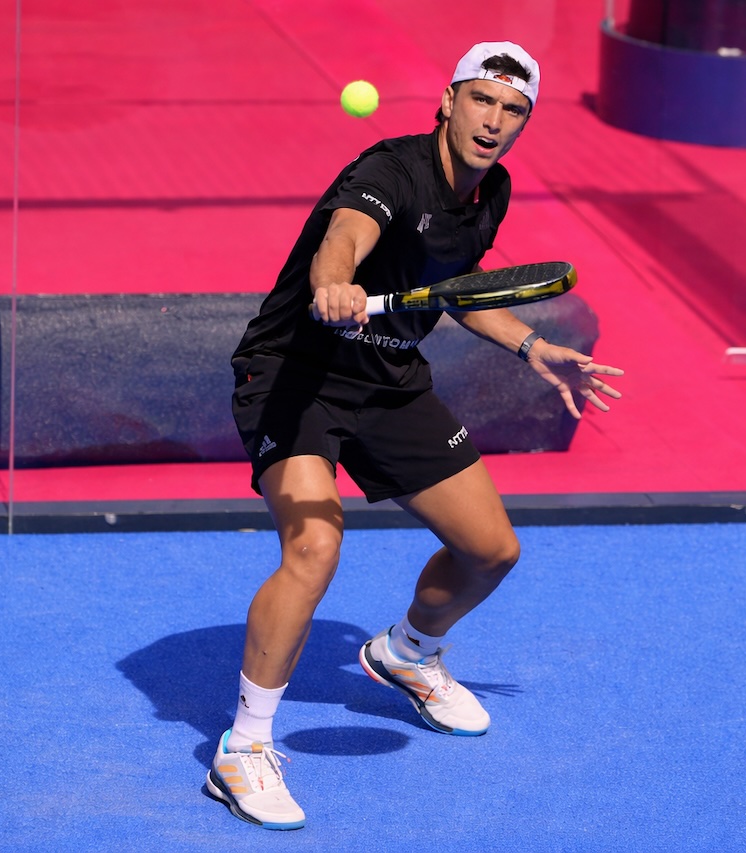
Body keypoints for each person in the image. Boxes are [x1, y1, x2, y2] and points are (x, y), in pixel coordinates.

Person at [205, 41, 623, 830]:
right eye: (482, 100)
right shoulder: (391, 170)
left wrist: (531, 345)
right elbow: (345, 234)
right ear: (448, 101)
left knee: (491, 550)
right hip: (297, 374)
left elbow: (455, 291)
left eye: (513, 110)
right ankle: (243, 746)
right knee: (314, 545)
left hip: (390, 380)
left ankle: (405, 652)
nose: (493, 121)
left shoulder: (489, 193)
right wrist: (333, 282)